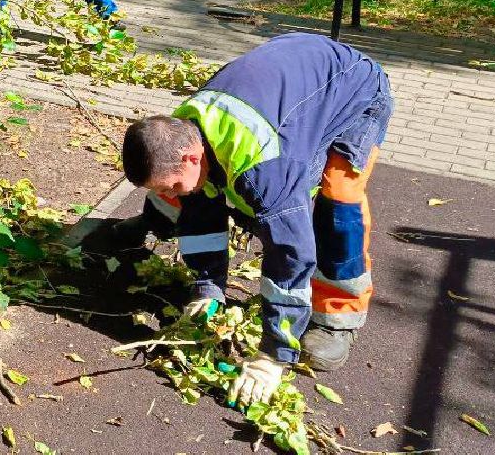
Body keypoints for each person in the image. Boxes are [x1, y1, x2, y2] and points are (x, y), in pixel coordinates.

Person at [115, 32, 393, 408]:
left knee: (337, 201)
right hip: (298, 78)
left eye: (176, 183)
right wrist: (207, 286)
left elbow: (289, 254)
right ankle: (157, 222)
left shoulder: (266, 168)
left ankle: (337, 317)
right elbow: (199, 203)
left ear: (192, 157)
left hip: (355, 91)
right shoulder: (184, 127)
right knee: (192, 194)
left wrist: (273, 355)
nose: (175, 190)